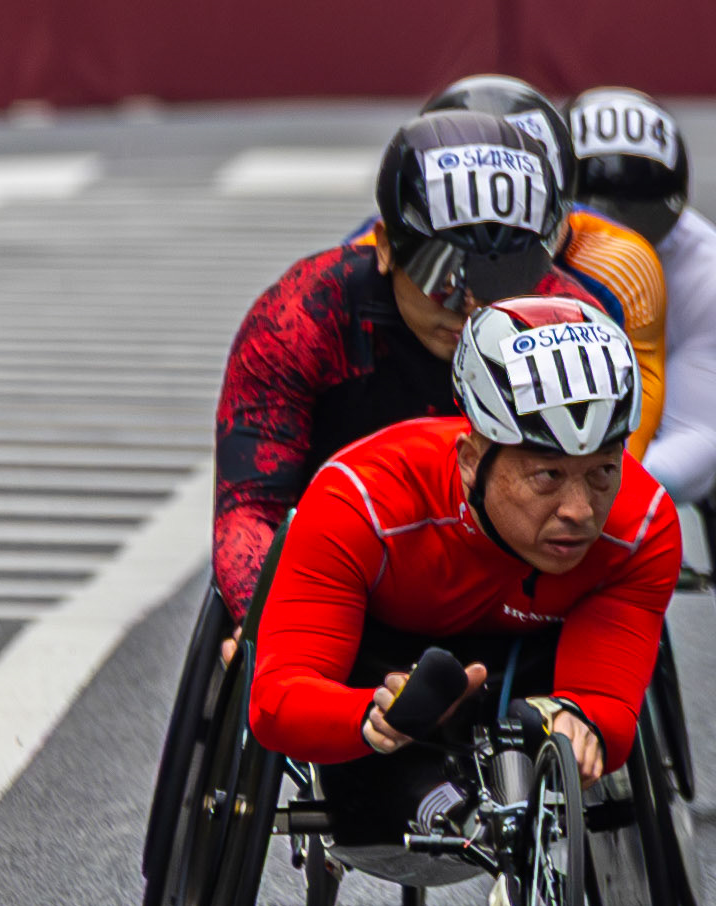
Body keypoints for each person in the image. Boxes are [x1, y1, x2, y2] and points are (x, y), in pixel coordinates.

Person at [249, 298, 682, 801]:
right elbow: (276, 701)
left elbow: (605, 700)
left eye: (603, 471)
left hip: (541, 658)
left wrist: (586, 725)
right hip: (388, 657)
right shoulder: (360, 501)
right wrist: (371, 713)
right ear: (472, 461)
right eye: (548, 475)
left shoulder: (643, 523)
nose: (581, 511)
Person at [213, 108, 598, 626]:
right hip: (336, 574)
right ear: (387, 247)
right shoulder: (301, 315)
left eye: (504, 275)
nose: (471, 305)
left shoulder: (576, 328)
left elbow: (606, 503)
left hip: (514, 581)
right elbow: (250, 508)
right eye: (442, 272)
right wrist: (273, 624)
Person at [419, 76, 669, 467]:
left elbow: (625, 453)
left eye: (521, 226)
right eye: (462, 231)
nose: (494, 254)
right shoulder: (370, 256)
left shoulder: (621, 266)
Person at [568, 86, 716, 506]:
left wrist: (603, 489)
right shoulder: (518, 248)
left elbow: (699, 436)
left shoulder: (712, 274)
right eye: (598, 224)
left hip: (627, 457)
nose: (625, 246)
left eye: (643, 223)